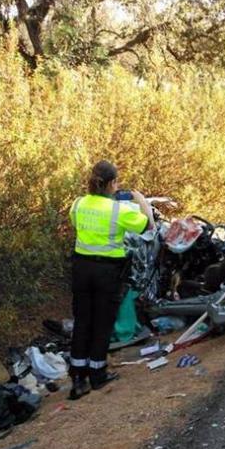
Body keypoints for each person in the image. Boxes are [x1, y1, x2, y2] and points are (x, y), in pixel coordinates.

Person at [67, 160, 154, 400]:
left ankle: (77, 376)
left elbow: (76, 225)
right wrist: (142, 201)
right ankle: (97, 374)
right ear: (113, 183)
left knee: (83, 320)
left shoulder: (78, 204)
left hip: (81, 269)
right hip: (107, 272)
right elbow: (148, 227)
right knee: (102, 323)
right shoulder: (120, 210)